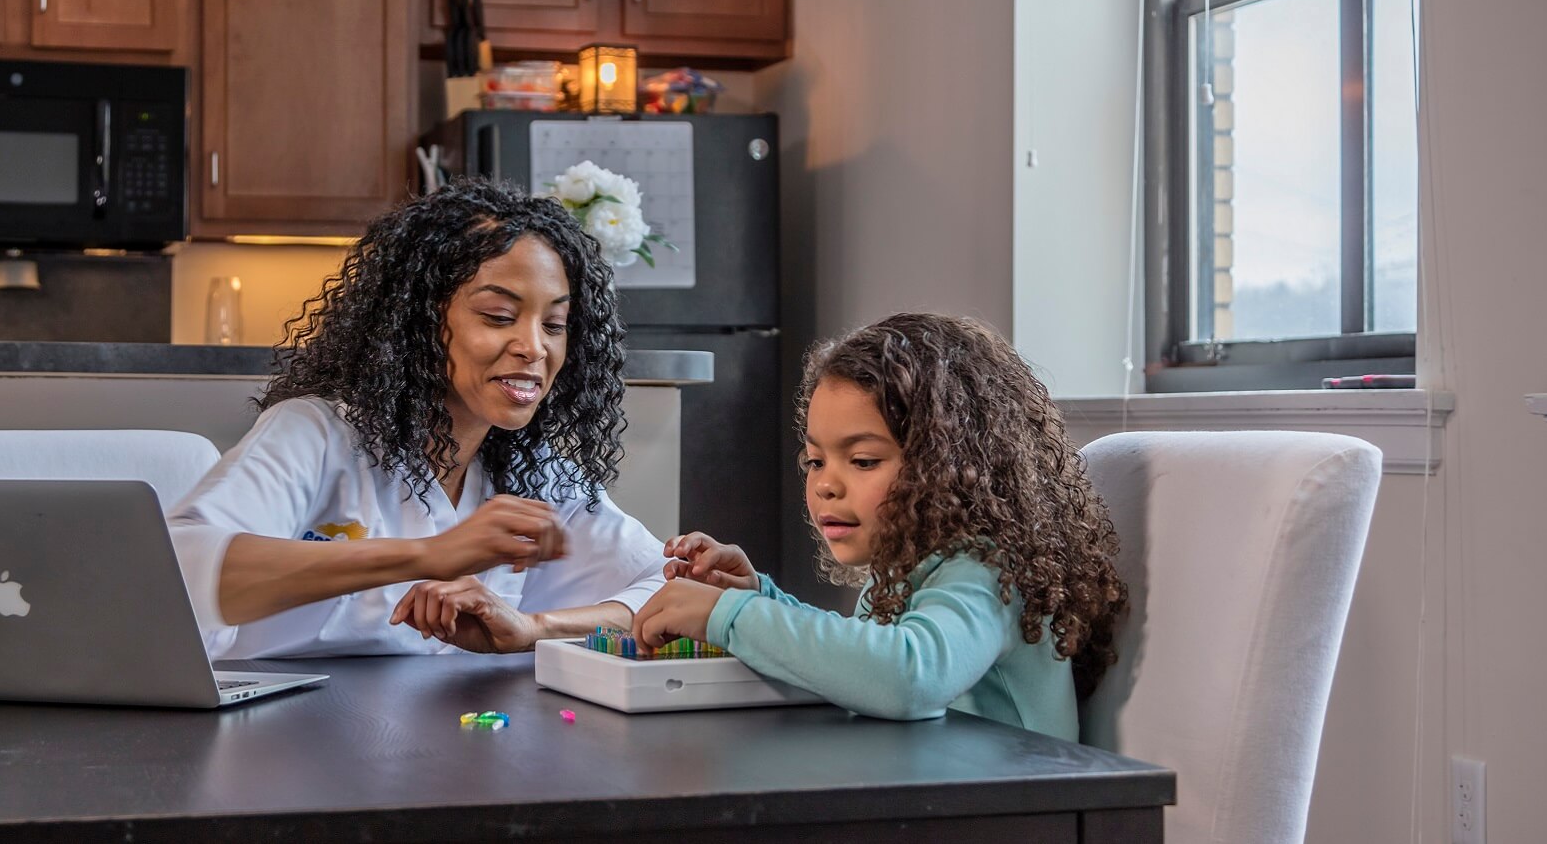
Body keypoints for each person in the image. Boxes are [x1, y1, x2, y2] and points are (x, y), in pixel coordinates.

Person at [166, 178, 664, 659]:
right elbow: (182, 572)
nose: (534, 347)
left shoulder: (535, 475)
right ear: (420, 322)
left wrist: (534, 629)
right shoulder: (314, 435)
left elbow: (674, 593)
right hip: (273, 734)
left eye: (555, 325)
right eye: (497, 316)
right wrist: (430, 553)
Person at [632, 313, 1126, 740]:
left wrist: (732, 614)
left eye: (863, 460)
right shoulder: (908, 566)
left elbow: (908, 675)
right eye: (815, 461)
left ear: (947, 465)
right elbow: (860, 660)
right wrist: (757, 595)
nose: (826, 485)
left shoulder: (986, 569)